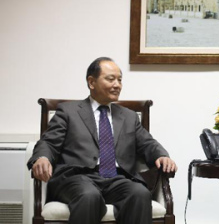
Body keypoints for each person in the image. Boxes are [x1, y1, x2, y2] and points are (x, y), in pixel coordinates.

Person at [27, 57, 177, 224]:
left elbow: (147, 143)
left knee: (140, 193)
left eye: (120, 80)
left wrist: (161, 156)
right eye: (110, 79)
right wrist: (42, 157)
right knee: (89, 196)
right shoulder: (68, 111)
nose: (117, 85)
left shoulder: (128, 116)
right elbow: (48, 141)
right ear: (91, 82)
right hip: (77, 178)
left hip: (117, 179)